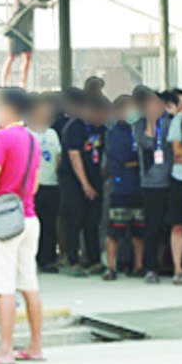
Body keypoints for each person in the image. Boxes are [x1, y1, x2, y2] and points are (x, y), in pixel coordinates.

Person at [0, 87, 44, 364]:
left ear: (8, 108)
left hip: (4, 221)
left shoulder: (1, 138)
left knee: (4, 286)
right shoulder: (33, 139)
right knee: (29, 284)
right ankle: (35, 346)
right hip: (29, 216)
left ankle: (5, 349)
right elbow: (34, 185)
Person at [58, 92, 106, 275]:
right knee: (74, 220)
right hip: (74, 182)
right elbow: (74, 156)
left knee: (92, 222)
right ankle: (73, 261)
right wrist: (85, 184)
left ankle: (94, 260)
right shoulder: (75, 127)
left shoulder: (101, 129)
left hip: (95, 179)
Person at [134, 86, 173, 282]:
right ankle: (151, 267)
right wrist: (151, 120)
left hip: (170, 180)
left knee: (171, 226)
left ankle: (169, 263)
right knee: (152, 227)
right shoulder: (139, 125)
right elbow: (148, 144)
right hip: (151, 183)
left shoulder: (169, 122)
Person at [103, 94, 143, 279]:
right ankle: (111, 267)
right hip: (120, 187)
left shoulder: (141, 129)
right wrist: (139, 161)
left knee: (138, 230)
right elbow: (124, 158)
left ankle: (138, 266)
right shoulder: (114, 133)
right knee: (115, 230)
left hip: (139, 186)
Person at [27, 95, 62, 272]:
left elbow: (58, 158)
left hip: (51, 184)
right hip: (32, 186)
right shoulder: (26, 133)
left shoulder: (52, 134)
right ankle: (30, 259)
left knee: (49, 224)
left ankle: (47, 259)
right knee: (32, 225)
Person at [1, 0, 55, 88]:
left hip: (26, 32)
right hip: (16, 31)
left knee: (27, 57)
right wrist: (47, 5)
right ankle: (4, 82)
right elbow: (30, 3)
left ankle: (23, 83)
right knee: (12, 57)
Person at [164, 88, 182, 282]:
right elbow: (177, 154)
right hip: (179, 178)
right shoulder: (179, 120)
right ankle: (178, 268)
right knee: (178, 225)